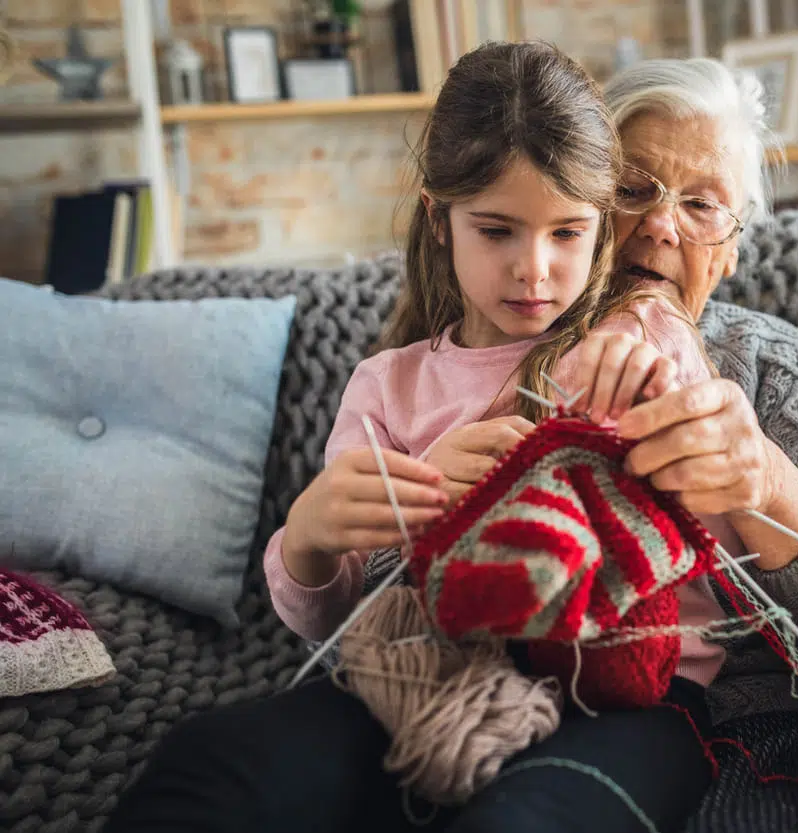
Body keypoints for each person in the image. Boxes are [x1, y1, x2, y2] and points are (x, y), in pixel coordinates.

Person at [103, 40, 722, 833]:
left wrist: (655, 405)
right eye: (497, 230)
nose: (534, 270)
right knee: (211, 764)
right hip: (429, 676)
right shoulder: (389, 385)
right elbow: (333, 615)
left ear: (603, 227)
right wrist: (314, 535)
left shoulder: (641, 335)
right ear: (439, 218)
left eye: (567, 233)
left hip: (635, 696)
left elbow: (715, 513)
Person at [426, 58, 798, 831]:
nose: (662, 225)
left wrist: (766, 481)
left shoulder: (770, 360)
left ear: (728, 250)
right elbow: (389, 586)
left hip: (748, 728)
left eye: (702, 205)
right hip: (512, 709)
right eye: (633, 189)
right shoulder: (498, 346)